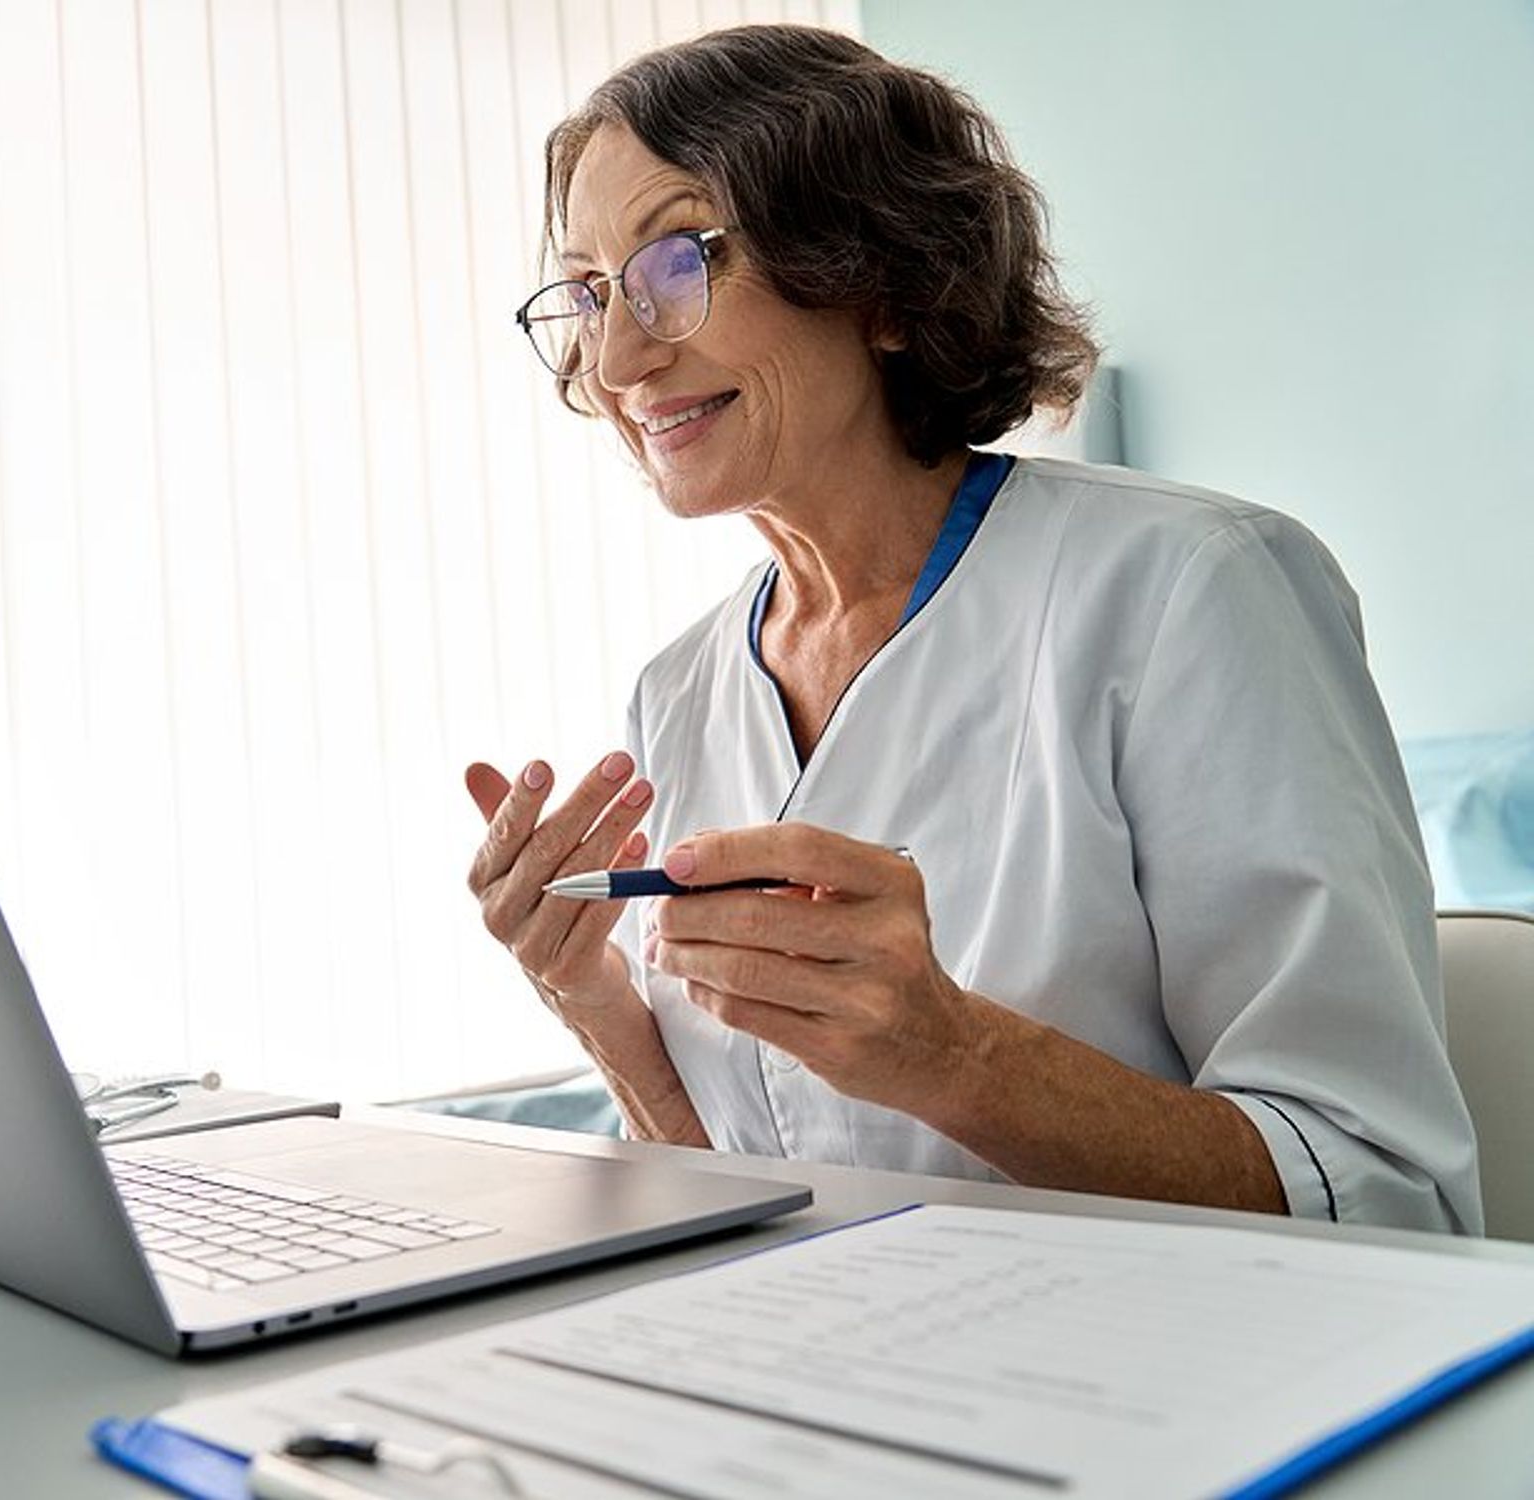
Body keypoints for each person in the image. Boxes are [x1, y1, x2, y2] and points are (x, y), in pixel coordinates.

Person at [462, 24, 1480, 1233]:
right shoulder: (679, 691)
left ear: (882, 284)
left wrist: (951, 1055)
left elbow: (1382, 1197)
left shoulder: (1191, 590)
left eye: (675, 263)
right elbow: (759, 1211)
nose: (617, 357)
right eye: (586, 292)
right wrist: (587, 994)